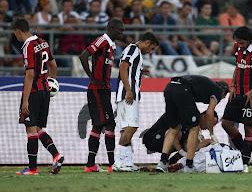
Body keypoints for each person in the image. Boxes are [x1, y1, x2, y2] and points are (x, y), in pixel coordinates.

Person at [13, 18, 64, 175]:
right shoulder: (43, 42)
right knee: (38, 128)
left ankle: (32, 169)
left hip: (33, 92)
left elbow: (29, 74)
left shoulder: (28, 46)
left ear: (18, 31)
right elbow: (53, 66)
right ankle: (56, 155)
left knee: (30, 130)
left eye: (15, 33)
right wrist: (51, 82)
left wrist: (25, 100)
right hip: (45, 92)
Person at [221, 26, 252, 173]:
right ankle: (245, 152)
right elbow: (238, 66)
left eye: (242, 43)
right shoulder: (237, 47)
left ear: (249, 40)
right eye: (237, 42)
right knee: (226, 123)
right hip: (238, 93)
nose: (239, 45)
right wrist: (233, 85)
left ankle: (244, 163)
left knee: (248, 127)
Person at [156, 75, 229, 173]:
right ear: (224, 92)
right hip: (183, 89)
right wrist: (212, 133)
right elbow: (209, 113)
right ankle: (189, 165)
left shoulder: (208, 85)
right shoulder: (218, 91)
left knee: (174, 128)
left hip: (170, 87)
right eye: (224, 97)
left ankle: (162, 163)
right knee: (194, 127)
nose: (222, 99)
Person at [79, 18, 124, 173]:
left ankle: (90, 164)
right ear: (111, 28)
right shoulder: (102, 40)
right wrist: (91, 77)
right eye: (120, 30)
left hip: (103, 89)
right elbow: (83, 55)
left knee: (98, 125)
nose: (122, 32)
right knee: (110, 124)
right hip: (97, 89)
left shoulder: (112, 45)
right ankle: (112, 164)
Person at [112, 32, 159, 172]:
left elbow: (129, 69)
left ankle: (126, 162)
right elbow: (122, 68)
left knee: (126, 129)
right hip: (128, 94)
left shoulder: (135, 52)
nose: (150, 51)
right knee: (132, 127)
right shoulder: (133, 49)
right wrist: (128, 90)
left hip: (128, 94)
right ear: (147, 42)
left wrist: (141, 71)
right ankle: (119, 162)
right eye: (151, 48)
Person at [143, 111, 218, 156]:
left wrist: (207, 142)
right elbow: (173, 133)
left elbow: (189, 149)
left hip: (165, 142)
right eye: (210, 124)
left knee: (191, 144)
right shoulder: (190, 117)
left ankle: (169, 162)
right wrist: (181, 151)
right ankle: (164, 161)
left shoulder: (196, 129)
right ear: (204, 117)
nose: (209, 127)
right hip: (152, 139)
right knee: (176, 133)